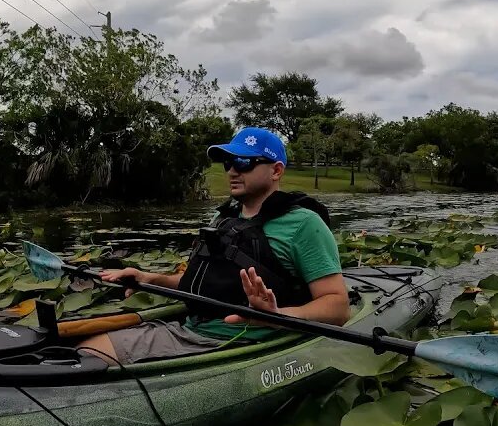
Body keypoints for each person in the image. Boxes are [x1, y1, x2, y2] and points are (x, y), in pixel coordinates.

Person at [76, 127, 349, 364]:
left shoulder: (304, 224)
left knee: (91, 351)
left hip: (238, 342)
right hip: (194, 328)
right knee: (84, 346)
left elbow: (337, 307)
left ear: (276, 170)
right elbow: (204, 281)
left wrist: (277, 315)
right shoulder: (223, 218)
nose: (232, 170)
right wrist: (149, 278)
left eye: (243, 162)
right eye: (228, 162)